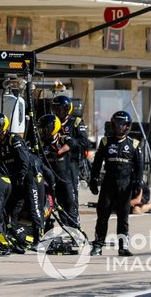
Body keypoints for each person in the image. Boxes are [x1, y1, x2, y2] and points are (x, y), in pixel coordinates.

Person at [89, 111, 143, 257]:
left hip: (125, 185)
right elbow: (97, 163)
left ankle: (123, 246)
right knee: (102, 215)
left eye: (122, 124)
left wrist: (138, 183)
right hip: (108, 183)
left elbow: (139, 166)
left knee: (123, 217)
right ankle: (98, 245)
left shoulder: (134, 143)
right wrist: (93, 179)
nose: (119, 127)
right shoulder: (106, 142)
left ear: (127, 126)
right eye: (117, 124)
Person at [0, 112, 42, 248]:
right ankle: (13, 236)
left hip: (28, 178)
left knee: (34, 207)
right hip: (14, 180)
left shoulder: (14, 140)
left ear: (2, 126)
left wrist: (21, 177)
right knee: (11, 210)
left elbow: (24, 161)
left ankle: (38, 239)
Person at [50, 95, 89, 226]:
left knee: (70, 197)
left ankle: (74, 226)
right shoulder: (51, 122)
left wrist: (68, 144)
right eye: (55, 109)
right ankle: (64, 225)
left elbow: (84, 142)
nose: (57, 113)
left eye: (60, 110)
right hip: (53, 163)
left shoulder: (76, 122)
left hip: (70, 164)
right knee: (58, 197)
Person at [37, 114, 79, 229]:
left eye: (45, 128)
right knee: (49, 207)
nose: (42, 131)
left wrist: (60, 151)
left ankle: (75, 231)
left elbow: (73, 143)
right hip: (49, 182)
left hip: (65, 180)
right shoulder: (41, 144)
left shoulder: (62, 138)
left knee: (70, 206)